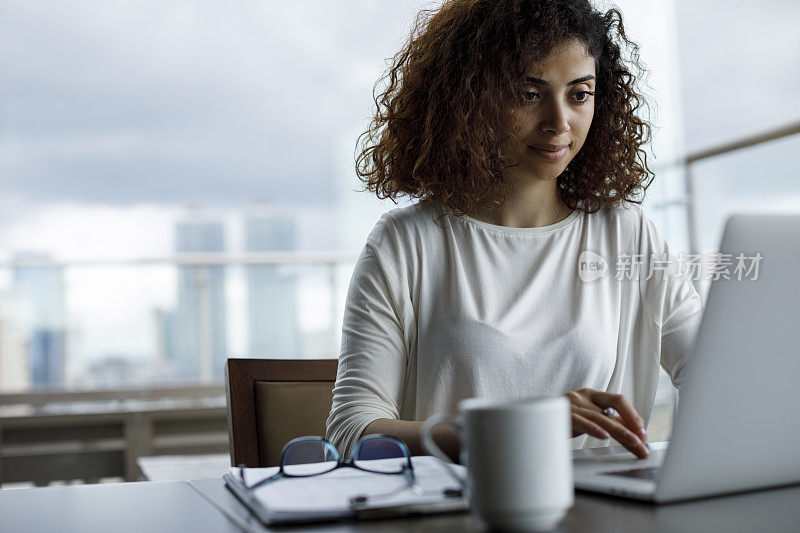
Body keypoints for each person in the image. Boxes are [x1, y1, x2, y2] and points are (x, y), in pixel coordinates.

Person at [326, 0, 703, 462]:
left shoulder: (628, 234)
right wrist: (511, 428)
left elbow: (714, 373)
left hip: (602, 513)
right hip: (459, 511)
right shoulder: (405, 242)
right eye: (529, 94)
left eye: (579, 94)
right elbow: (352, 431)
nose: (559, 122)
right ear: (470, 101)